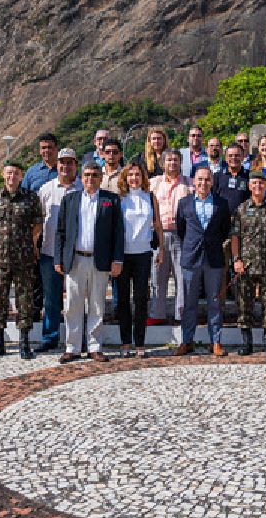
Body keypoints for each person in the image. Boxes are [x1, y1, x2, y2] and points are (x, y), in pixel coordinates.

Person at [54, 161, 124, 363]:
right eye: (86, 175)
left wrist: (117, 259)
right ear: (80, 177)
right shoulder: (70, 200)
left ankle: (94, 346)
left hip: (100, 260)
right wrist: (59, 258)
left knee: (97, 305)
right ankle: (72, 347)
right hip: (75, 259)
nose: (90, 179)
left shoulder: (111, 200)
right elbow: (60, 232)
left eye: (94, 175)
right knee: (73, 305)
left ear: (100, 178)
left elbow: (118, 232)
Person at [0, 161, 43, 360]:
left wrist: (28, 243)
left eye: (16, 173)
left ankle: (24, 343)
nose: (12, 177)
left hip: (24, 258)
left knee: (24, 300)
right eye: (9, 173)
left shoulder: (31, 198)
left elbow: (37, 225)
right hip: (0, 258)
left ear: (21, 176)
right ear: (3, 175)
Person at [174, 167, 231, 356]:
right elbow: (182, 230)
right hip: (191, 258)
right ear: (194, 181)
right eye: (200, 180)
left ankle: (216, 341)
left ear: (212, 182)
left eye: (207, 180)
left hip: (214, 258)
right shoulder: (184, 204)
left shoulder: (221, 204)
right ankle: (187, 340)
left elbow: (224, 230)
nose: (203, 183)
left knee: (214, 301)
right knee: (189, 302)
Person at [230, 169, 266, 356]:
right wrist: (236, 259)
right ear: (249, 186)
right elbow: (235, 236)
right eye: (254, 183)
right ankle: (247, 342)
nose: (258, 186)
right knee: (244, 304)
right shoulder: (242, 209)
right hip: (247, 264)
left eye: (261, 183)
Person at [35, 149, 81, 352]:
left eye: (70, 162)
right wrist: (34, 245)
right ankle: (50, 336)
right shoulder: (46, 190)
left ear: (75, 165)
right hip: (49, 252)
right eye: (62, 162)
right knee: (51, 298)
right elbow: (37, 222)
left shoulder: (83, 188)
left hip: (77, 253)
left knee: (77, 298)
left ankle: (77, 337)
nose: (65, 166)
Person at [117, 162, 163, 357]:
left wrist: (160, 249)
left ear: (143, 177)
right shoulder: (119, 199)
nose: (134, 178)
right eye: (130, 175)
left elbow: (158, 224)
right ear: (125, 178)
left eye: (137, 174)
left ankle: (140, 343)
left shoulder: (150, 197)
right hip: (123, 255)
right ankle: (126, 342)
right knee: (123, 301)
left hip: (143, 254)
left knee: (141, 299)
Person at [150, 150, 191, 326]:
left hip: (181, 234)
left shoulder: (189, 184)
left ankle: (181, 315)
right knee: (158, 275)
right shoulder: (153, 183)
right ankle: (157, 314)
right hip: (159, 234)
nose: (172, 162)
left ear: (181, 162)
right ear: (162, 163)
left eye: (176, 159)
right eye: (169, 159)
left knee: (181, 276)